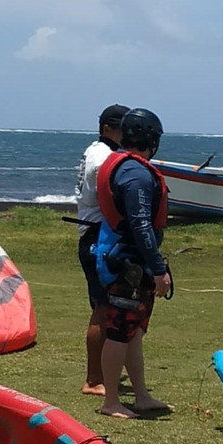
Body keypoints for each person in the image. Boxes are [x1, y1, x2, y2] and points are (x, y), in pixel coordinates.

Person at [93, 107, 173, 419]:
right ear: (151, 139)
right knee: (119, 332)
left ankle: (141, 395)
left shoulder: (123, 166)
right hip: (128, 267)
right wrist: (158, 268)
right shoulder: (136, 174)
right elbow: (140, 224)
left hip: (127, 263)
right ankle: (111, 400)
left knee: (134, 332)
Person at [74, 104, 129, 395]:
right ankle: (94, 379)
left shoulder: (97, 151)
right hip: (97, 236)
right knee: (103, 308)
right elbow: (106, 193)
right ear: (108, 128)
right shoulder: (102, 157)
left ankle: (103, 372)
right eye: (123, 128)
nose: (127, 135)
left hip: (95, 233)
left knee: (106, 307)